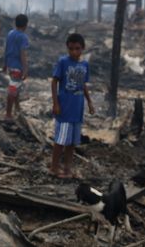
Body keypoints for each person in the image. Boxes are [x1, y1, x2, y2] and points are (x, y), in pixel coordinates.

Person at [50, 33, 95, 179]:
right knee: (60, 141)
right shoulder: (63, 62)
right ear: (67, 49)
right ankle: (54, 167)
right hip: (65, 109)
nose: (74, 52)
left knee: (72, 143)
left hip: (78, 109)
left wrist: (89, 102)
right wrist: (55, 103)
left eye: (77, 49)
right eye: (71, 49)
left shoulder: (84, 65)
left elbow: (83, 85)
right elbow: (54, 82)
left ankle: (67, 168)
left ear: (82, 48)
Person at [3, 14, 29, 120]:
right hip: (17, 67)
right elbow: (23, 53)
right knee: (13, 90)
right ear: (26, 25)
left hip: (10, 65)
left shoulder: (10, 33)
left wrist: (5, 64)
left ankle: (17, 108)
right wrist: (25, 68)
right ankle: (8, 114)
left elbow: (6, 49)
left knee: (16, 86)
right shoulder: (23, 37)